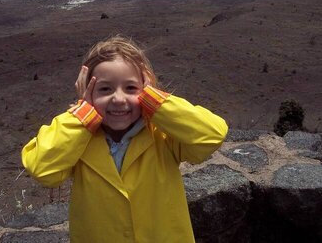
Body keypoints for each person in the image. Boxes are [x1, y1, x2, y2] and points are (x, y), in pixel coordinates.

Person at [21, 35, 228, 243]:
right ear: (87, 93)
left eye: (131, 88)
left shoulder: (162, 136)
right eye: (104, 89)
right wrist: (82, 115)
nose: (118, 99)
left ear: (148, 89)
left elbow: (212, 135)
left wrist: (154, 101)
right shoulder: (77, 140)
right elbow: (42, 169)